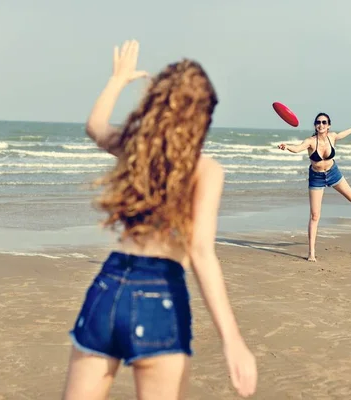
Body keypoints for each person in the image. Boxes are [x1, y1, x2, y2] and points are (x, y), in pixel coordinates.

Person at [62, 40, 257, 400]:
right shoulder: (206, 171)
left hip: (109, 284)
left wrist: (118, 79)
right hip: (161, 292)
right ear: (203, 117)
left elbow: (95, 126)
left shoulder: (135, 149)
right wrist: (233, 342)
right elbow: (201, 253)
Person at [278, 112, 351, 262]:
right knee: (315, 215)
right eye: (318, 122)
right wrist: (286, 146)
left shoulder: (332, 137)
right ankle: (311, 253)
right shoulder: (310, 141)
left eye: (324, 122)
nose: (320, 125)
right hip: (316, 177)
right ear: (315, 125)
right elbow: (298, 148)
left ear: (328, 125)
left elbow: (343, 134)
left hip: (333, 173)